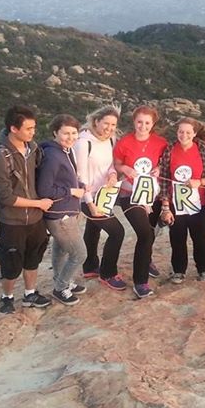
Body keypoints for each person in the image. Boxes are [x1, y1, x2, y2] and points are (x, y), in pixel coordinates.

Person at [0, 105, 54, 314]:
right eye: (28, 128)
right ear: (13, 129)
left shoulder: (32, 148)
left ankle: (30, 293)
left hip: (35, 220)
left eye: (34, 128)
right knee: (11, 263)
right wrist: (38, 204)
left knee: (33, 258)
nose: (32, 132)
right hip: (12, 220)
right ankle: (6, 297)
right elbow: (5, 197)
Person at [113, 105, 168, 298]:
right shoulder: (124, 142)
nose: (142, 126)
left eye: (147, 123)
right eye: (139, 122)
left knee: (150, 233)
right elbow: (117, 164)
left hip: (152, 194)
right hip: (130, 195)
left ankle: (147, 259)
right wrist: (125, 169)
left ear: (153, 124)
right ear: (133, 121)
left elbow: (165, 161)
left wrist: (159, 168)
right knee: (144, 234)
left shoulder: (160, 142)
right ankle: (140, 282)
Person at [159, 117, 205, 284]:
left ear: (194, 133)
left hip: (198, 203)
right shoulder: (170, 150)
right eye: (180, 131)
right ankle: (179, 270)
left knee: (200, 237)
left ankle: (203, 269)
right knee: (177, 237)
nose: (183, 135)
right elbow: (164, 179)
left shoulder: (204, 151)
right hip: (176, 204)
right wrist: (165, 206)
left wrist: (199, 182)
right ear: (177, 132)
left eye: (188, 132)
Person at [73, 105, 127, 291]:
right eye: (106, 123)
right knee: (117, 232)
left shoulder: (111, 140)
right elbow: (81, 177)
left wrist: (112, 175)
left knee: (93, 228)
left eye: (113, 124)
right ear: (96, 121)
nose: (110, 128)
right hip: (88, 197)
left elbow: (111, 165)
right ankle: (108, 273)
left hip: (104, 194)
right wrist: (90, 203)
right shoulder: (83, 143)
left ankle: (89, 267)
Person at [36, 114, 88, 306]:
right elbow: (45, 190)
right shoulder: (52, 155)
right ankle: (61, 288)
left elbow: (64, 179)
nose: (71, 137)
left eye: (74, 133)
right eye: (66, 133)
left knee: (60, 250)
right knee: (79, 253)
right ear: (55, 132)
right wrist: (71, 191)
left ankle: (61, 280)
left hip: (66, 210)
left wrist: (80, 185)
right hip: (60, 214)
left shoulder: (64, 150)